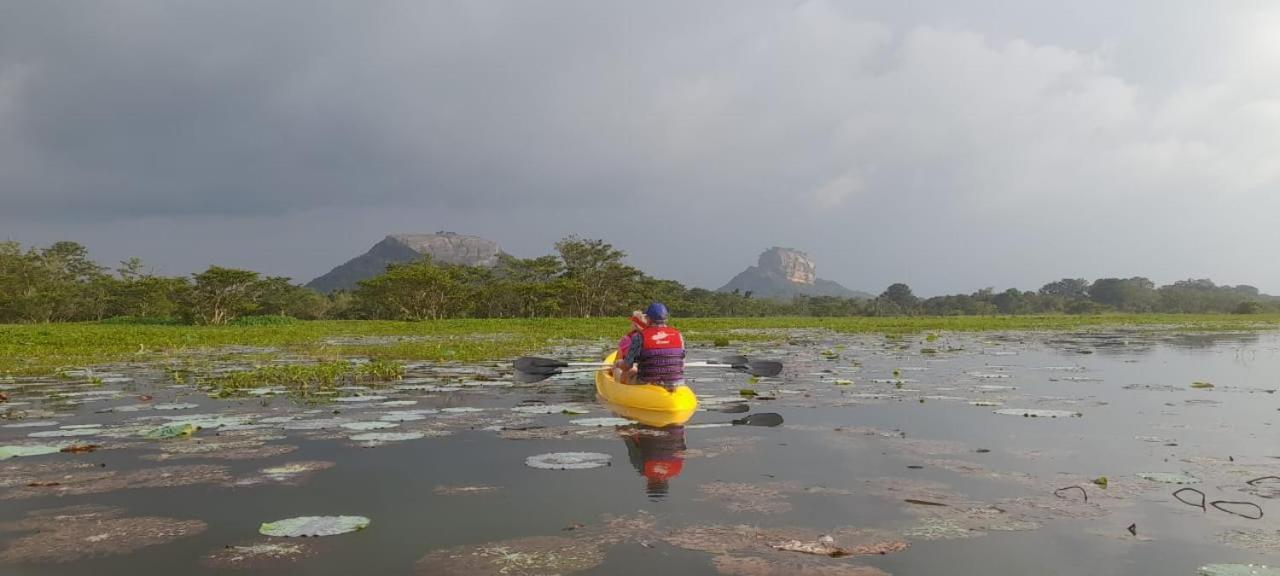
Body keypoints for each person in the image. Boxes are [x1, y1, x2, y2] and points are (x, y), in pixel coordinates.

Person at [622, 302, 685, 390]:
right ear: (666, 318)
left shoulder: (639, 336)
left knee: (623, 374)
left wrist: (618, 364)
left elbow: (626, 366)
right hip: (676, 383)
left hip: (647, 383)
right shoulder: (678, 335)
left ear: (648, 319)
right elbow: (682, 363)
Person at [613, 310, 648, 384]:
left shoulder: (626, 339)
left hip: (632, 371)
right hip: (645, 372)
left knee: (616, 367)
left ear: (635, 324)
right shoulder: (650, 337)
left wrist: (616, 365)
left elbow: (620, 360)